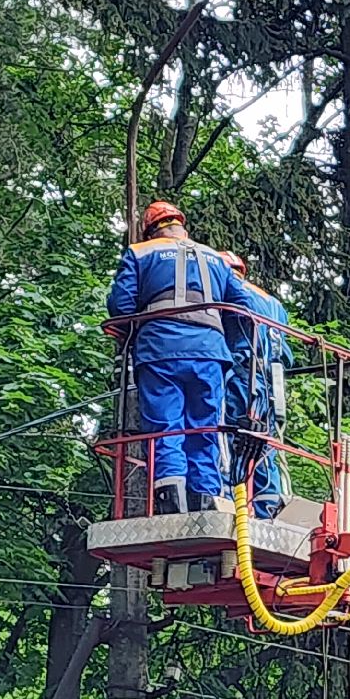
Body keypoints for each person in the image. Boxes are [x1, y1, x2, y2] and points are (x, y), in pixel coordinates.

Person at [106, 200, 249, 515]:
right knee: (205, 426)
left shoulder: (140, 252)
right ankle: (206, 498)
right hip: (209, 354)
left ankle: (171, 500)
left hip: (160, 352)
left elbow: (121, 306)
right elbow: (241, 307)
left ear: (150, 229)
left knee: (164, 426)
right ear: (181, 225)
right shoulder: (215, 258)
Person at [221, 250, 294, 519]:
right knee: (266, 442)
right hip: (273, 380)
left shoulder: (230, 290)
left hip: (244, 374)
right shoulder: (272, 302)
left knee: (229, 436)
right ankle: (267, 505)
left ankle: (228, 497)